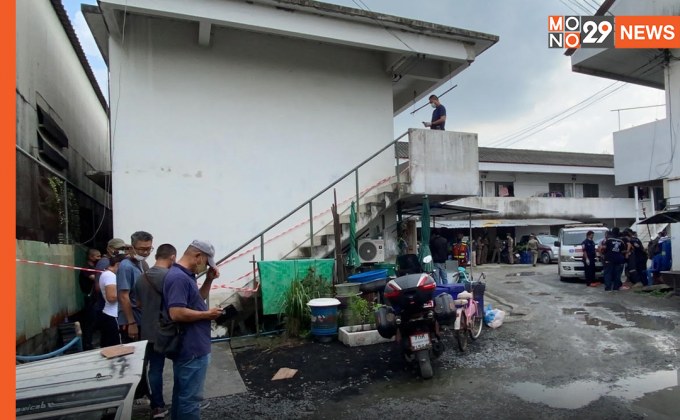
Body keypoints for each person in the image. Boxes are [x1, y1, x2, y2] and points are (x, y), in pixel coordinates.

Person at [164, 240, 223, 420]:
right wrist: (207, 315)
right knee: (190, 400)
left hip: (190, 346)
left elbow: (196, 300)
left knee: (182, 395)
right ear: (198, 256)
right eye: (206, 262)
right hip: (192, 348)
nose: (206, 266)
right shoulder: (178, 278)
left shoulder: (184, 275)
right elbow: (176, 313)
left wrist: (208, 279)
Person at [135, 244, 177, 419]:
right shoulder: (171, 277)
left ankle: (157, 406)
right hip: (169, 330)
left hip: (148, 330)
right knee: (181, 365)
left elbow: (138, 304)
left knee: (155, 369)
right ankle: (182, 403)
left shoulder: (141, 278)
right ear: (173, 257)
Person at [118, 231, 154, 343]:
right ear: (132, 248)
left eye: (149, 249)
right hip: (132, 322)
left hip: (141, 319)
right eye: (142, 249)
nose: (146, 252)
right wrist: (131, 323)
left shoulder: (140, 264)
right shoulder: (126, 267)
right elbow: (123, 296)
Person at [99, 253, 127, 347]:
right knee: (116, 346)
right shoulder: (110, 276)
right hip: (113, 315)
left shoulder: (108, 274)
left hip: (111, 314)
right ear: (118, 265)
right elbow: (111, 297)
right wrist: (127, 295)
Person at [78, 248, 101, 350]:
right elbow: (95, 279)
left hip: (94, 298)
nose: (99, 258)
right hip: (90, 299)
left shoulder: (94, 267)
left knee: (94, 321)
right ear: (91, 257)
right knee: (89, 323)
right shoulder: (87, 268)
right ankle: (87, 344)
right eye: (97, 256)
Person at [601, 227, 626, 291]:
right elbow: (623, 251)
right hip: (618, 260)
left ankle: (608, 288)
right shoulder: (621, 241)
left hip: (609, 259)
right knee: (617, 275)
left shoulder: (608, 240)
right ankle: (616, 288)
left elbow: (603, 249)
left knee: (608, 274)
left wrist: (603, 254)